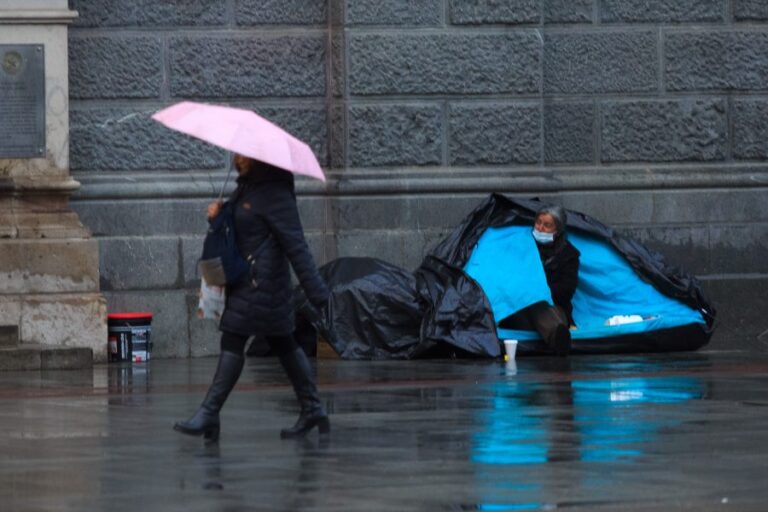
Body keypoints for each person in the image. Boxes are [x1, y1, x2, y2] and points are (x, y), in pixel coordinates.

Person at [174, 154, 331, 442]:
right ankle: (312, 408)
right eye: (236, 154)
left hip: (263, 285)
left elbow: (297, 245)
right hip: (248, 281)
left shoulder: (276, 193)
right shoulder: (248, 187)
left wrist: (318, 293)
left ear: (261, 158)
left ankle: (209, 413)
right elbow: (241, 226)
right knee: (284, 343)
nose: (238, 159)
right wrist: (219, 214)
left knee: (233, 338)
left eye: (244, 155)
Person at [505, 205, 580, 356]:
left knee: (540, 306)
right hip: (520, 309)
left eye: (547, 225)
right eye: (538, 223)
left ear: (557, 230)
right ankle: (556, 336)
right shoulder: (523, 247)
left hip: (552, 309)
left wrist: (540, 292)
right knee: (530, 303)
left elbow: (567, 289)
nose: (540, 228)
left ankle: (558, 338)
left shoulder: (569, 254)